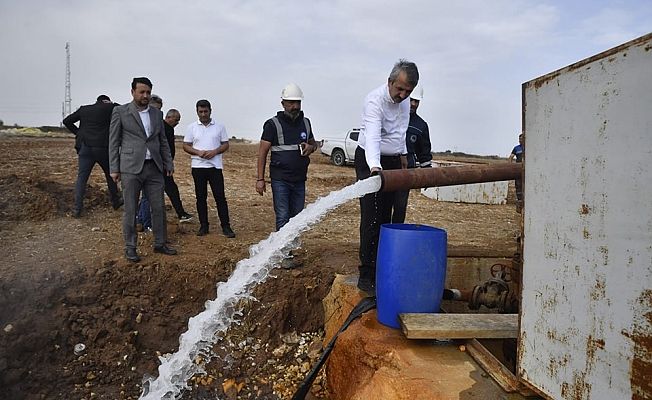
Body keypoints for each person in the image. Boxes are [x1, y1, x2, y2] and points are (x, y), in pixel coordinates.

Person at [355, 59, 419, 294]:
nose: (402, 95)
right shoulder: (374, 101)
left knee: (389, 217)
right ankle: (366, 273)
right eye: (399, 89)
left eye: (408, 91)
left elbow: (400, 130)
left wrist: (402, 156)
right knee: (372, 216)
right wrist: (375, 167)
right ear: (390, 81)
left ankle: (384, 267)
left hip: (393, 161)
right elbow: (372, 136)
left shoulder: (403, 103)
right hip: (371, 161)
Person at [109, 77, 177, 262]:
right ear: (132, 92)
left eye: (148, 92)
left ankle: (160, 243)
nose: (145, 95)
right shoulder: (120, 111)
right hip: (131, 168)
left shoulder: (156, 114)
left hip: (154, 168)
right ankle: (130, 247)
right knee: (131, 210)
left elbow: (162, 140)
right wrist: (114, 168)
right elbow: (113, 142)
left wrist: (168, 163)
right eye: (142, 92)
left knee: (159, 207)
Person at [256, 83, 318, 232]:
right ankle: (284, 252)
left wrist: (311, 147)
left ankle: (290, 246)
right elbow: (262, 153)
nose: (295, 106)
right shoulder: (272, 124)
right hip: (280, 180)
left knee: (297, 217)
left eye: (298, 102)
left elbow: (313, 143)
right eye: (291, 103)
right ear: (283, 103)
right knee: (283, 216)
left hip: (299, 179)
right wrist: (260, 179)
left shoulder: (306, 123)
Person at [136, 96, 193, 231]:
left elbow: (167, 149)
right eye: (176, 119)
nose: (178, 122)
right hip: (154, 166)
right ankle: (145, 222)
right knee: (150, 194)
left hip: (161, 165)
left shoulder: (162, 126)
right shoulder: (156, 126)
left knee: (152, 193)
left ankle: (141, 219)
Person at [63, 94, 123, 217]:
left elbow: (66, 121)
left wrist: (79, 133)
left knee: (82, 178)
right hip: (103, 148)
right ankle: (115, 202)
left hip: (85, 147)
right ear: (108, 101)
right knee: (111, 175)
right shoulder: (113, 107)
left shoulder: (84, 109)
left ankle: (77, 209)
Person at [183, 99, 235, 238]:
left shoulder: (219, 127)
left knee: (220, 197)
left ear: (210, 111)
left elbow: (225, 144)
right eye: (201, 111)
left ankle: (226, 226)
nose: (203, 114)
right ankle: (204, 226)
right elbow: (186, 145)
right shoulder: (191, 127)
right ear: (197, 112)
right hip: (198, 166)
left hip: (215, 167)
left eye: (206, 111)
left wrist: (215, 152)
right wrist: (197, 152)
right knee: (201, 197)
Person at [391, 84, 432, 223]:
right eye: (411, 100)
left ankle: (396, 236)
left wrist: (427, 175)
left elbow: (424, 154)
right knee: (382, 208)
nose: (414, 104)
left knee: (400, 208)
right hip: (387, 170)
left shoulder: (421, 126)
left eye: (417, 101)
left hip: (406, 174)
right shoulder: (391, 117)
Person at [509, 133, 524, 201]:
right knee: (518, 184)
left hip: (526, 168)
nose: (520, 140)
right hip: (518, 168)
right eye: (519, 139)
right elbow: (511, 157)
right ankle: (519, 199)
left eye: (521, 139)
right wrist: (510, 165)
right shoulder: (516, 148)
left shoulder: (528, 147)